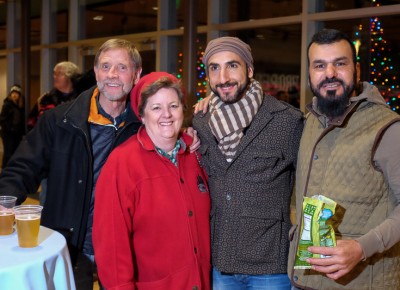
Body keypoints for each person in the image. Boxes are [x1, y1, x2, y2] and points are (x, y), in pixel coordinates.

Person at [288, 29, 400, 289]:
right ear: (309, 74)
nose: (329, 73)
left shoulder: (388, 128)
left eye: (340, 63)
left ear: (356, 70)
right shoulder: (309, 121)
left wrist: (362, 248)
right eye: (320, 65)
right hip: (304, 281)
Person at [192, 36, 304, 289]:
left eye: (232, 65)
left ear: (250, 70)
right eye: (214, 68)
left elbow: (311, 186)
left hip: (270, 266)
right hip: (221, 262)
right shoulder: (200, 121)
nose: (223, 77)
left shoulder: (286, 121)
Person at [93, 72, 211, 290]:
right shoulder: (122, 163)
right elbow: (111, 244)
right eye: (156, 108)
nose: (166, 114)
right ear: (142, 115)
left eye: (173, 106)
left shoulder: (196, 153)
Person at [27, 61, 81, 130]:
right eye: (54, 74)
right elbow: (31, 122)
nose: (55, 77)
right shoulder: (44, 99)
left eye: (59, 74)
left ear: (70, 77)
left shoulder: (81, 99)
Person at [0, 85, 25, 168]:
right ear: (10, 94)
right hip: (8, 134)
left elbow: (21, 121)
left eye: (17, 93)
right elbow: (2, 119)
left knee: (15, 154)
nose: (15, 95)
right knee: (8, 154)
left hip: (17, 134)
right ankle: (5, 173)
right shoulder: (7, 105)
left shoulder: (20, 106)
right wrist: (10, 129)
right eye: (13, 93)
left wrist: (23, 133)